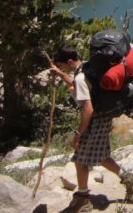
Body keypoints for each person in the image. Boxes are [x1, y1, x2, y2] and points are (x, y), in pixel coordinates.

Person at [48, 46, 126, 199]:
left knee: (80, 160)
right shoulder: (87, 66)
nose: (62, 68)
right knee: (102, 156)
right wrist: (61, 75)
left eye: (62, 65)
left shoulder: (80, 77)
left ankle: (83, 199)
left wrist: (78, 134)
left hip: (95, 120)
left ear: (70, 61)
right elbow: (79, 85)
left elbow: (88, 109)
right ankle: (129, 178)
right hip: (104, 117)